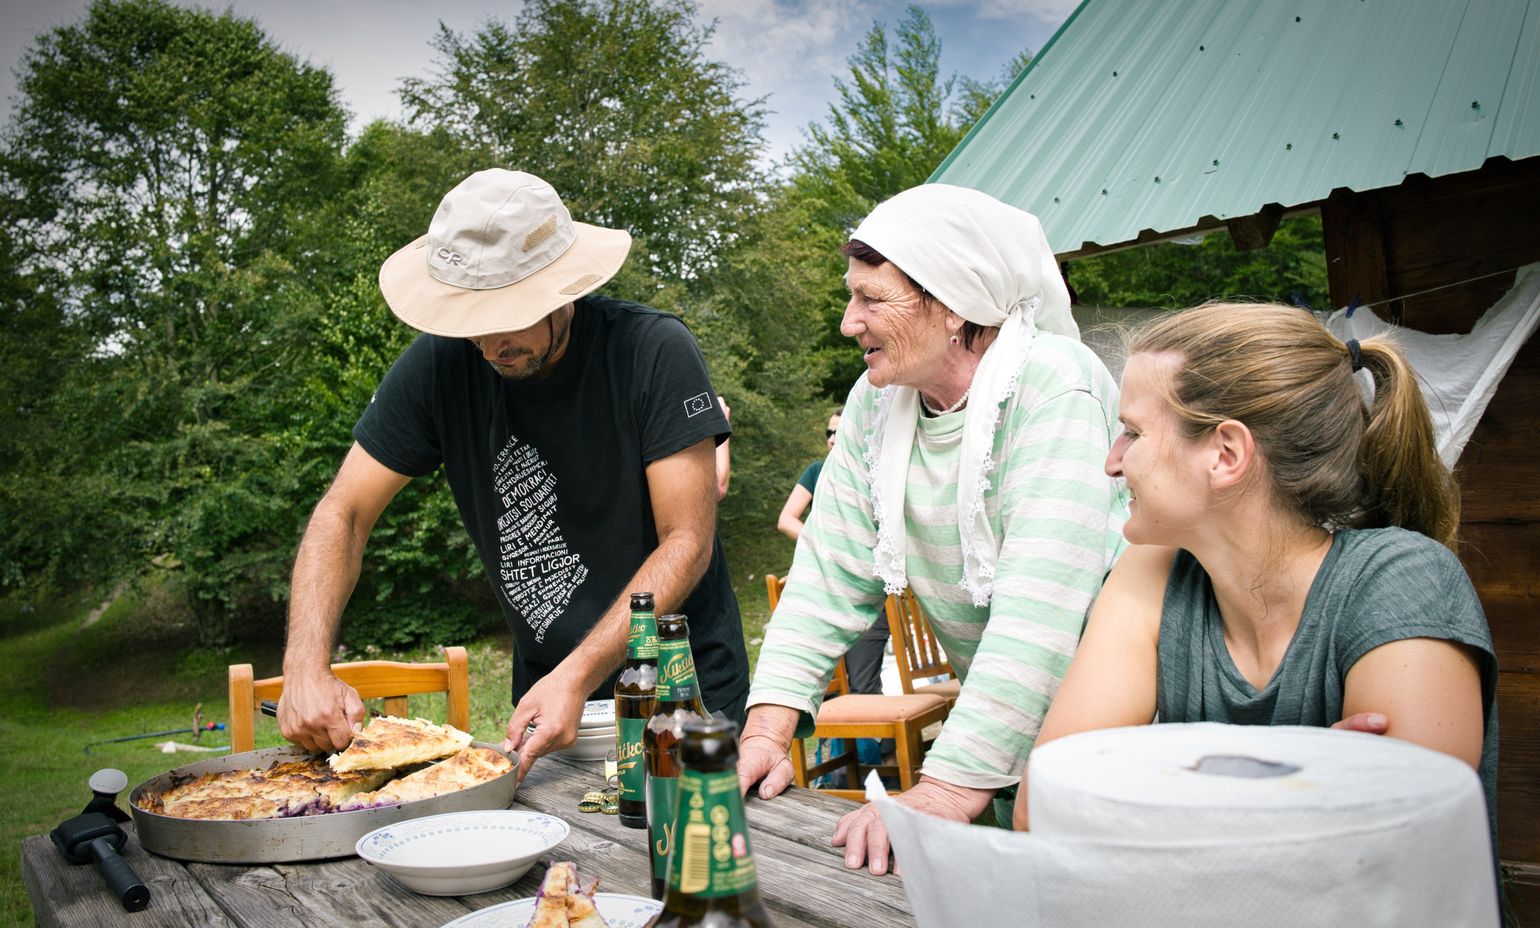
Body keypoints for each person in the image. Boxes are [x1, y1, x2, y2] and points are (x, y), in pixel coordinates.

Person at [277, 169, 750, 778]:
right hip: (546, 707)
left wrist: (577, 677)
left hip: (681, 699)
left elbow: (686, 542)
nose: (487, 341)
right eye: (471, 316)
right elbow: (343, 513)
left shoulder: (652, 349)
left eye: (509, 313)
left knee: (686, 867)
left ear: (561, 290)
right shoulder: (438, 367)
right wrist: (304, 667)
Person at [737, 184, 1129, 874]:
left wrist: (946, 787)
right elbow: (826, 574)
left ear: (953, 305)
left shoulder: (1053, 387)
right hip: (1003, 735)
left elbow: (1040, 615)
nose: (848, 323)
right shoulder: (875, 402)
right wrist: (767, 728)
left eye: (871, 298)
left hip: (1114, 740)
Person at [1011, 303, 1499, 857]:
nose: (1112, 462)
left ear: (1225, 453)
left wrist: (1150, 784)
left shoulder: (1402, 578)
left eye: (1132, 433)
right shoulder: (1149, 570)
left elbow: (1393, 851)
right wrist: (1305, 783)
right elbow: (1044, 808)